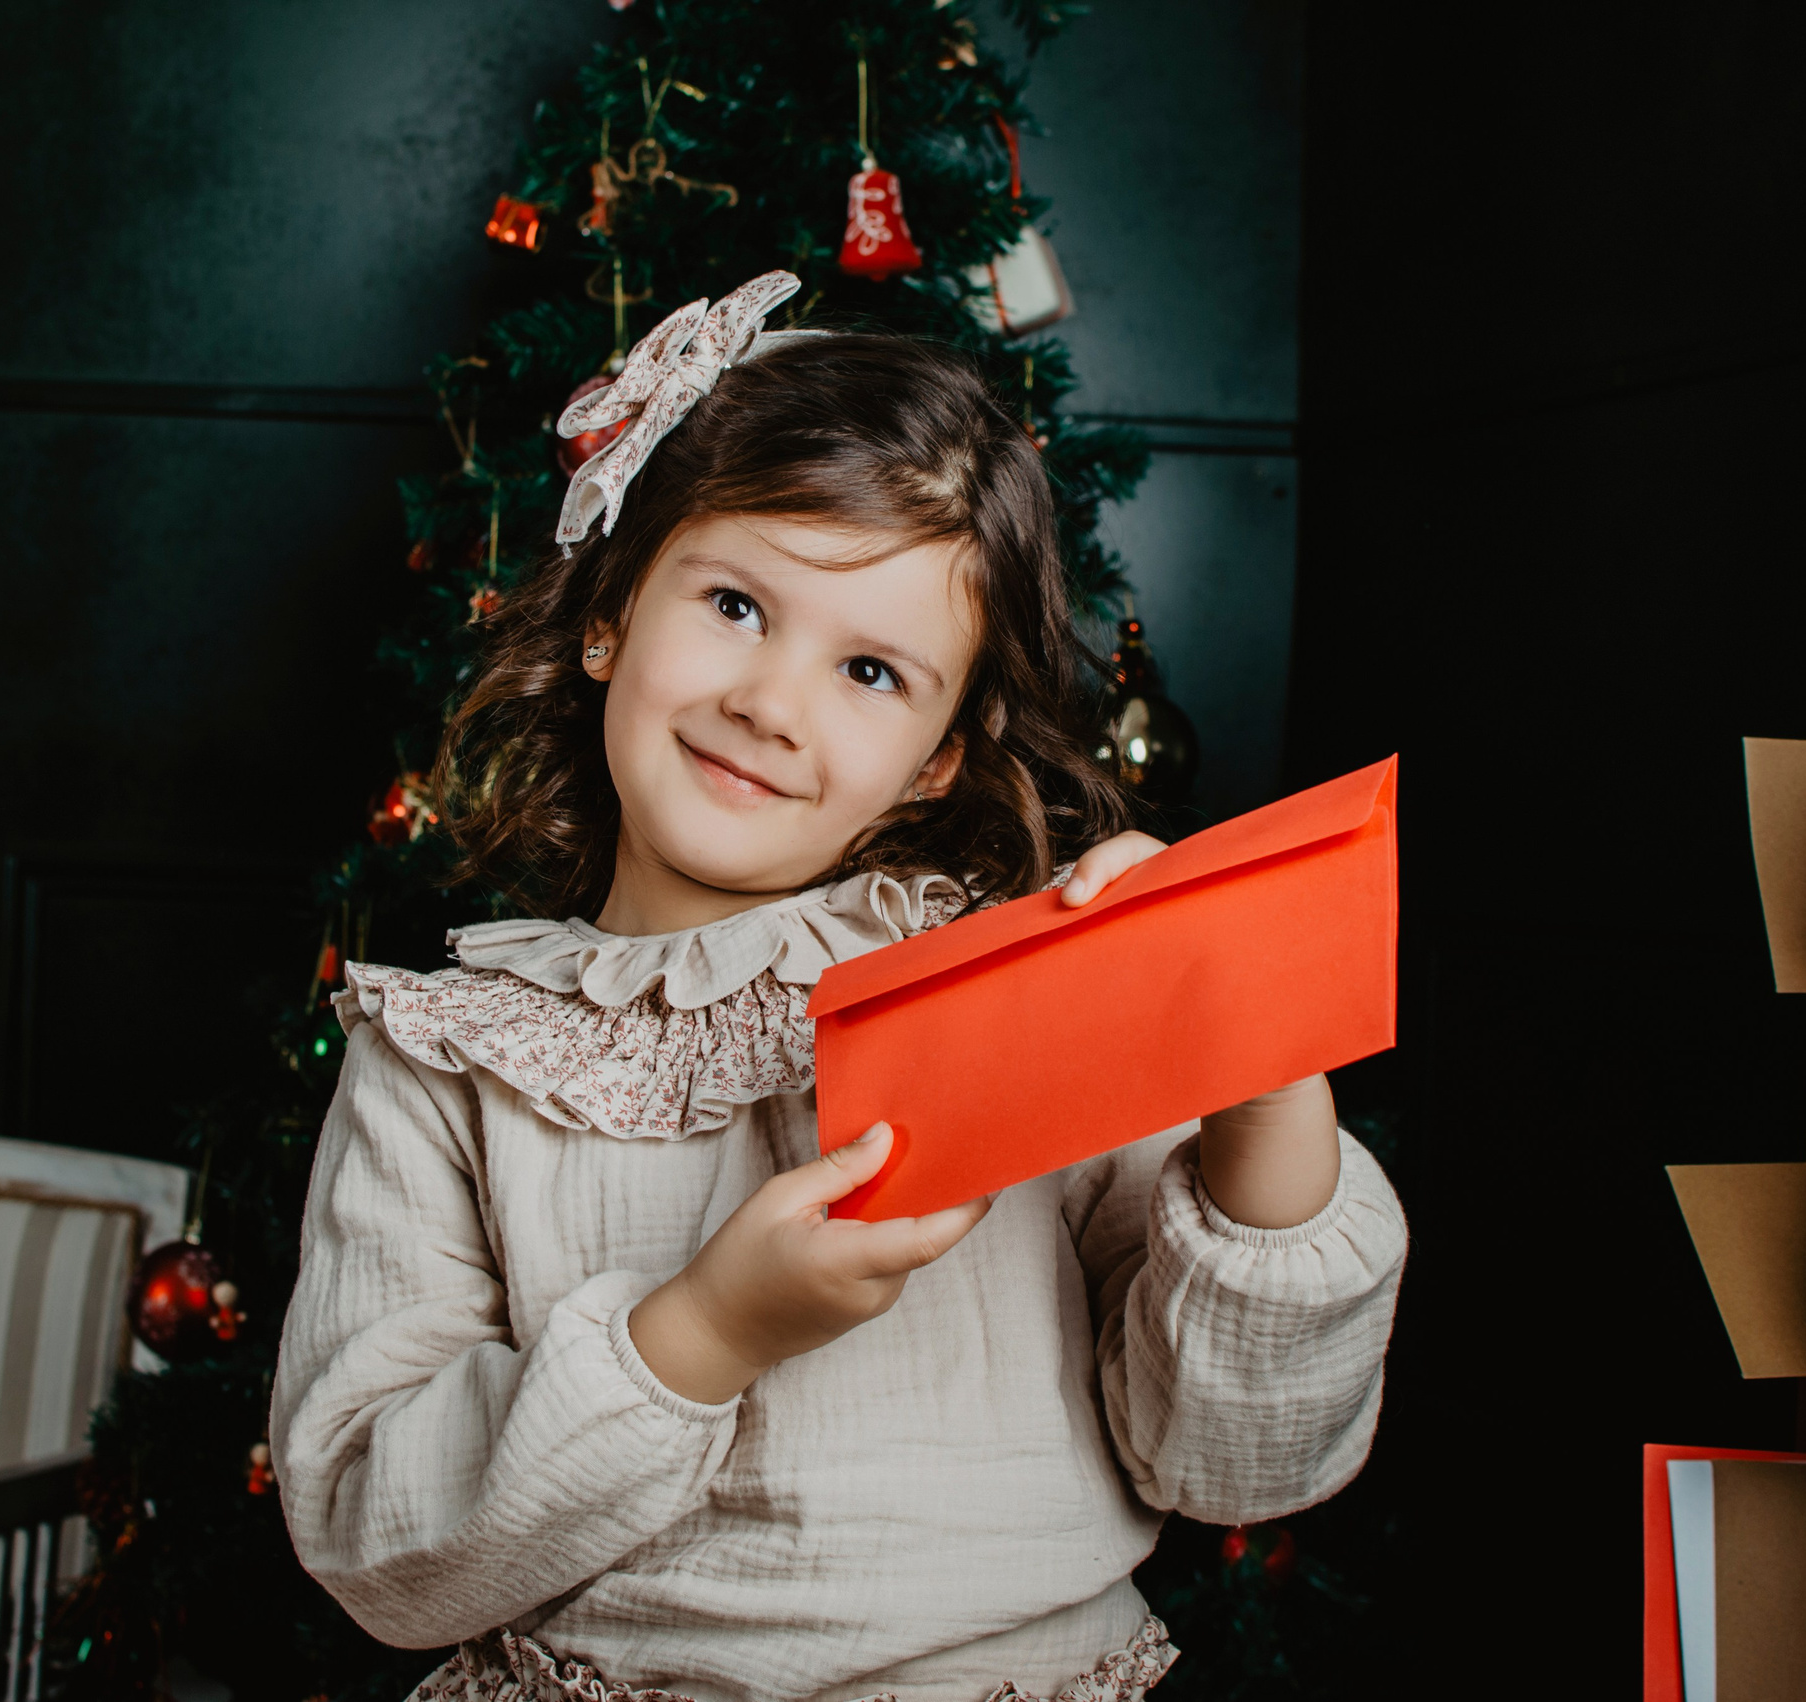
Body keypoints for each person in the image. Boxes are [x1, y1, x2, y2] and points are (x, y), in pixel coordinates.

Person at [271, 271, 1406, 1702]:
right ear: (610, 612)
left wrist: (1259, 1084)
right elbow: (382, 1546)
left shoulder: (1020, 985)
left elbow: (1238, 1459)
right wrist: (706, 1330)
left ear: (939, 754)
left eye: (872, 669)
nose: (773, 700)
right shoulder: (448, 1061)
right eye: (737, 602)